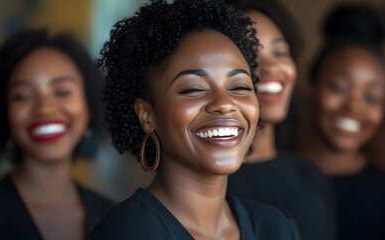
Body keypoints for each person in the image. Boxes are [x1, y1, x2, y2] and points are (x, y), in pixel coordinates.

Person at [88, 0, 300, 239]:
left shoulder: (278, 228)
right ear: (147, 116)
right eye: (193, 89)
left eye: (240, 86)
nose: (224, 104)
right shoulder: (127, 233)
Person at [0, 29, 115, 240]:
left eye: (61, 92)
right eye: (22, 96)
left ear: (89, 106)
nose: (44, 108)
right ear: (5, 112)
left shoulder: (116, 217)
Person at [224, 1, 336, 240]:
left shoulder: (310, 177)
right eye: (249, 52)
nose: (271, 66)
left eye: (279, 52)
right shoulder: (209, 185)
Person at [299, 4, 385, 240]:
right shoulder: (269, 177)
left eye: (372, 97)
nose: (354, 107)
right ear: (310, 86)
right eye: (339, 87)